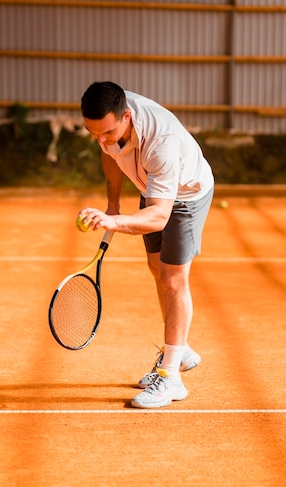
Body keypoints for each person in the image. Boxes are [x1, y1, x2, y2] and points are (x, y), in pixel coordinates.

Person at [78, 81, 214, 409]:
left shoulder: (160, 142)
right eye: (92, 132)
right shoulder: (108, 126)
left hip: (183, 194)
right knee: (156, 267)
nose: (101, 140)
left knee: (172, 278)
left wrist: (113, 223)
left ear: (127, 117)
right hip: (151, 187)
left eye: (107, 132)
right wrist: (113, 205)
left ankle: (170, 378)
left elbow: (158, 217)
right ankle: (180, 351)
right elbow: (110, 153)